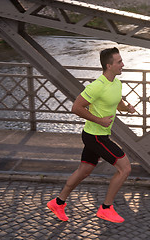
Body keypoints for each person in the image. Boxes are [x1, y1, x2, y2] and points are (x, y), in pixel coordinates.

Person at [47, 47, 135, 223]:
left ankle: (58, 203)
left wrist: (127, 108)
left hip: (98, 135)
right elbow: (76, 107)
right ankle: (106, 208)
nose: (123, 64)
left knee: (84, 171)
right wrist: (99, 120)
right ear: (108, 65)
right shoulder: (97, 86)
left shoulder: (116, 83)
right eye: (119, 62)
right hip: (95, 136)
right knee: (125, 168)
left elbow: (117, 103)